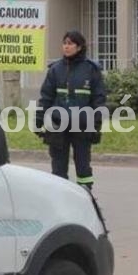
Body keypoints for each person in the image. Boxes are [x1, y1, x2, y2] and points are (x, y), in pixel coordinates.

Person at [36, 30, 106, 190]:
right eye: (64, 43)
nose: (66, 47)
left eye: (70, 44)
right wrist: (39, 121)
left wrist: (96, 123)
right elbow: (46, 97)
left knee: (83, 164)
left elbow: (99, 98)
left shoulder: (91, 69)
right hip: (58, 125)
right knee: (58, 165)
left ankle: (86, 195)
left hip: (82, 125)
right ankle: (60, 197)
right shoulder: (55, 69)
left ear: (79, 47)